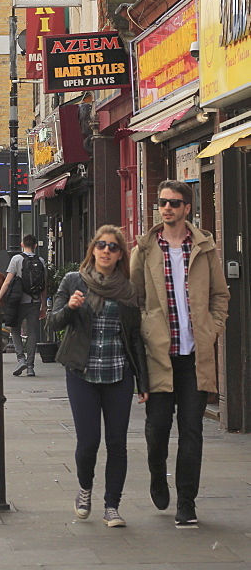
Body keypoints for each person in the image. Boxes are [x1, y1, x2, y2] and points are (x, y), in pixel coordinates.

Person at [130, 179, 229, 528]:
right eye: (162, 202)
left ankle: (187, 501)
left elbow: (220, 295)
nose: (167, 208)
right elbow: (135, 298)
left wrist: (212, 328)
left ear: (188, 208)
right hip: (159, 356)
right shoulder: (143, 249)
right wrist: (144, 330)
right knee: (157, 429)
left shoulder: (205, 247)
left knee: (192, 431)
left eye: (174, 202)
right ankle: (158, 474)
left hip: (194, 357)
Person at [49, 225, 149, 529]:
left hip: (118, 374)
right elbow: (52, 324)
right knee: (89, 441)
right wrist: (70, 307)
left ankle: (112, 506)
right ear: (93, 249)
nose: (107, 251)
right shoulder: (73, 282)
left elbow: (135, 338)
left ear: (120, 255)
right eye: (102, 245)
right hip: (82, 372)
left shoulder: (128, 291)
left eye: (113, 247)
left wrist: (143, 382)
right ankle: (84, 488)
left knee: (117, 442)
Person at [0, 235, 47, 377]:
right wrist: (44, 305)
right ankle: (30, 366)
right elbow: (44, 285)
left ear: (22, 244)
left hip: (18, 302)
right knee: (32, 333)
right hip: (35, 302)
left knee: (14, 329)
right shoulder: (41, 261)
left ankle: (21, 359)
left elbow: (7, 282)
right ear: (36, 245)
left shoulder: (16, 259)